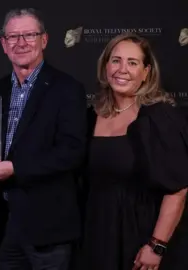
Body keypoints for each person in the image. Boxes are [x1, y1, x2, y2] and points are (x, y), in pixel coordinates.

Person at [0, 8, 87, 270]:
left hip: (48, 229)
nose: (21, 43)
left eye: (29, 35)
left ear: (44, 40)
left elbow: (72, 152)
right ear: (3, 45)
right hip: (1, 227)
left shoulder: (67, 90)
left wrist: (16, 168)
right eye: (13, 37)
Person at [79, 32, 188, 270]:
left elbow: (178, 190)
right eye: (116, 60)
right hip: (97, 236)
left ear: (146, 72)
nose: (122, 69)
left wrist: (156, 245)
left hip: (143, 238)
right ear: (105, 65)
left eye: (132, 62)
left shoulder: (160, 117)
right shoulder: (89, 117)